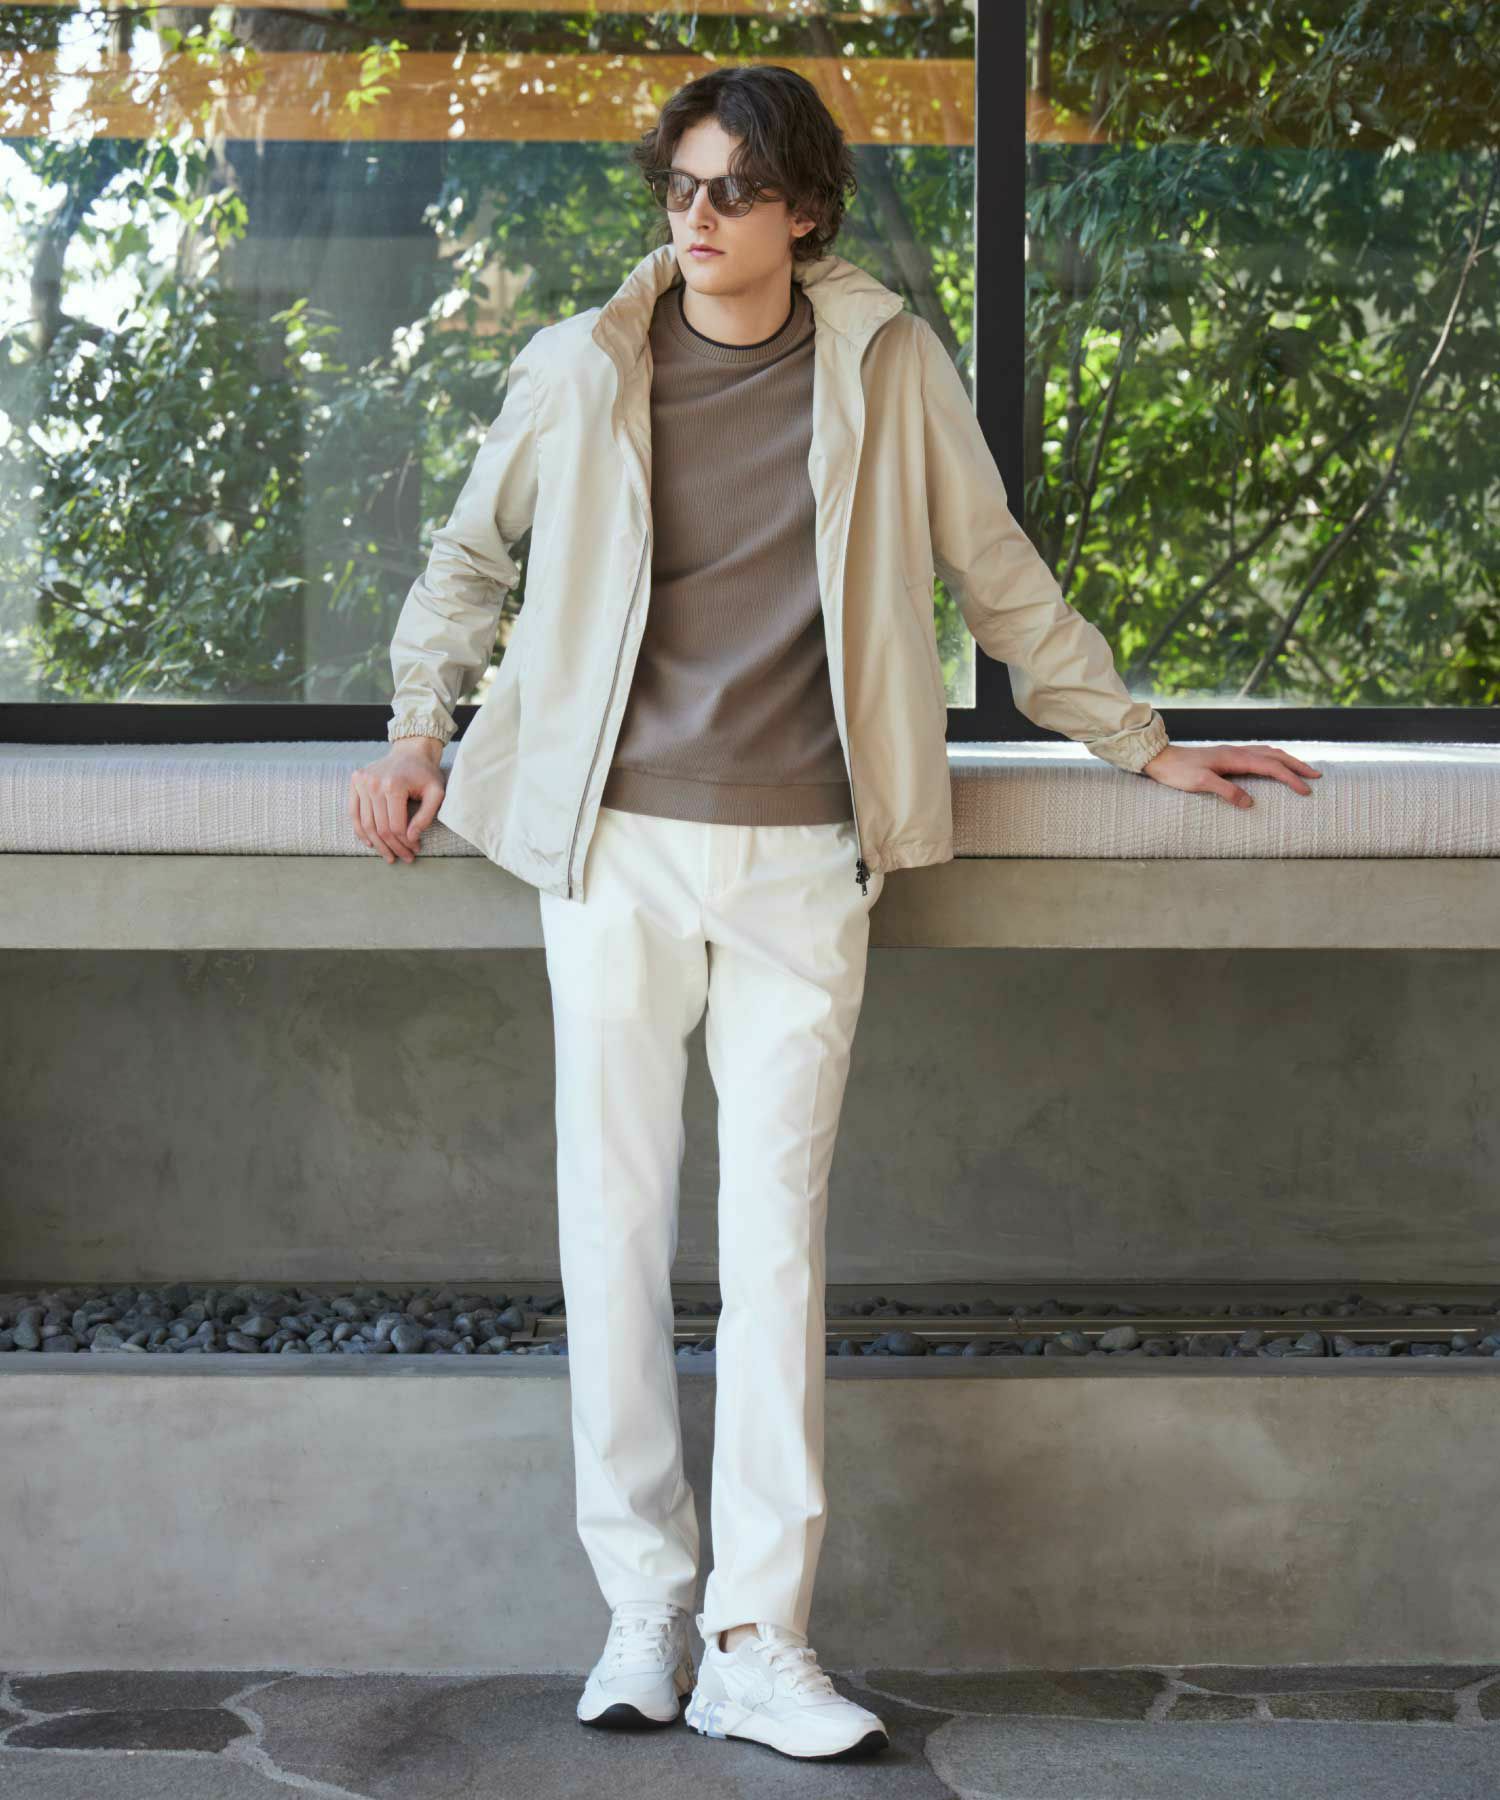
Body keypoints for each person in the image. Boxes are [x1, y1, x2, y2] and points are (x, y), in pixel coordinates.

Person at [350, 66, 1321, 1765]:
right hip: (612, 849)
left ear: (804, 209)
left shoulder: (885, 361)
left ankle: (759, 1639)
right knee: (613, 1229)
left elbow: (996, 573)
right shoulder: (582, 365)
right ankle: (645, 1608)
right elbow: (469, 560)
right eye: (680, 186)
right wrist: (418, 732)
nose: (699, 216)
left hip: (805, 855)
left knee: (779, 1249)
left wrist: (1142, 742)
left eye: (734, 189)